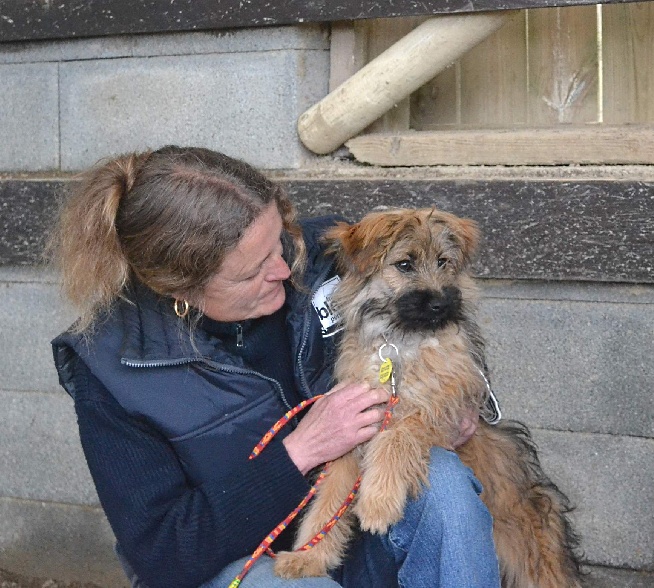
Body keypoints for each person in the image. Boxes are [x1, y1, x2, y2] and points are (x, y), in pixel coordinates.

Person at [50, 146, 501, 588]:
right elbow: (164, 553)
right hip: (243, 564)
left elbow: (442, 320)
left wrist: (464, 395)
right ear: (181, 292)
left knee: (443, 484)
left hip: (365, 531)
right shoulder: (115, 370)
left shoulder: (327, 256)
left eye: (278, 243)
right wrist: (299, 452)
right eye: (251, 272)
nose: (284, 270)